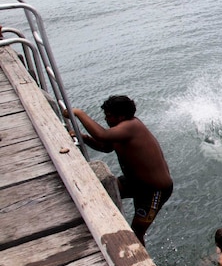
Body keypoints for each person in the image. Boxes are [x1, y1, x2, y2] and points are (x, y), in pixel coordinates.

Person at [68, 95, 172, 246]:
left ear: (121, 116)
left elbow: (101, 135)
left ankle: (139, 265)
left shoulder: (131, 126)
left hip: (154, 190)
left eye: (108, 116)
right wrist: (83, 138)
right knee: (102, 193)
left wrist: (78, 113)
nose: (105, 119)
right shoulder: (119, 130)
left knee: (136, 233)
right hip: (133, 183)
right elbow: (105, 147)